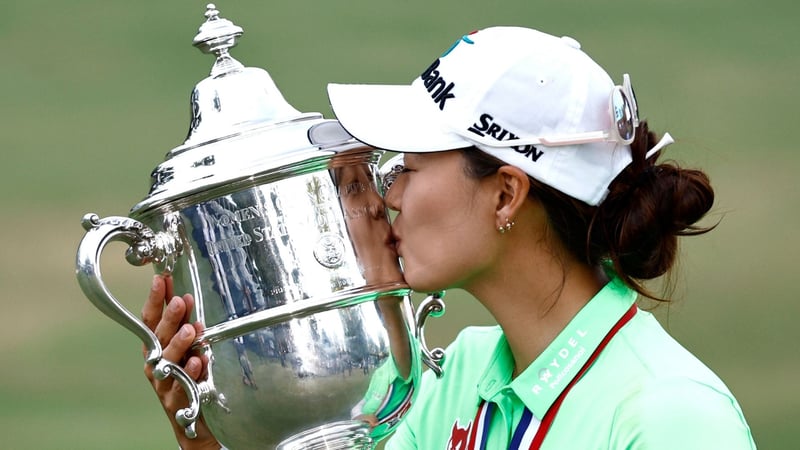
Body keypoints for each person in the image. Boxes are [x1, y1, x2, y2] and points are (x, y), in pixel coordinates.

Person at [142, 26, 756, 448]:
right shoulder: (447, 380)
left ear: (506, 194)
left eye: (409, 167)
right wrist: (214, 439)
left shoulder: (672, 416)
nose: (390, 196)